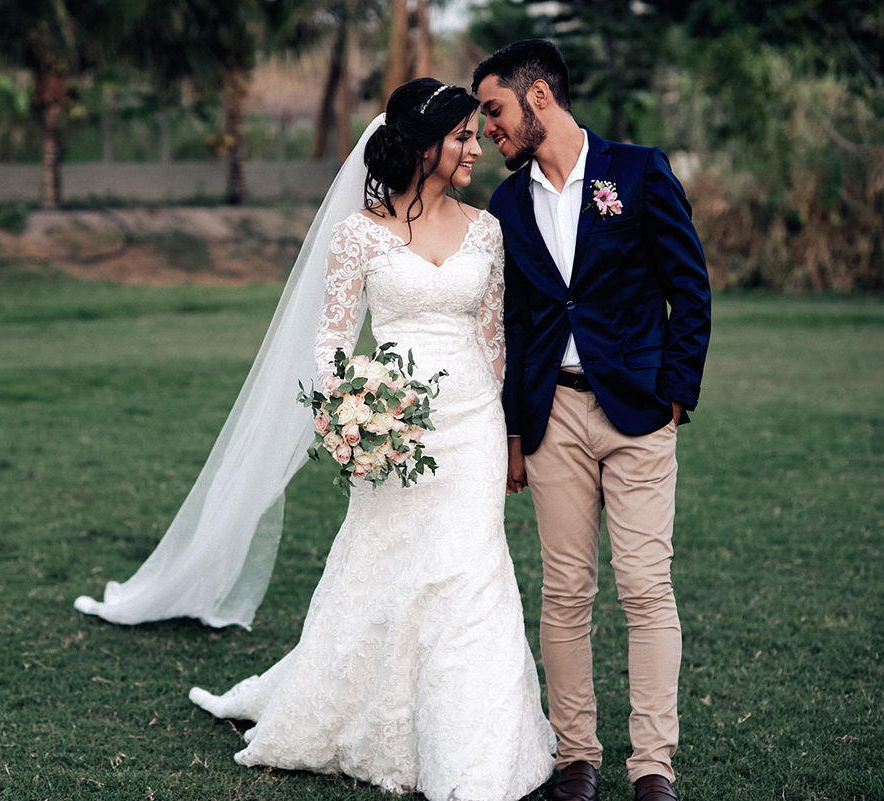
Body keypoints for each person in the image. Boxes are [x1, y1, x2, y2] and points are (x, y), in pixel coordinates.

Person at [187, 78, 555, 801]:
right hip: (393, 433)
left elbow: (495, 342)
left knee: (469, 574)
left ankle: (472, 752)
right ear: (423, 145)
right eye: (461, 136)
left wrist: (503, 428)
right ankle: (352, 715)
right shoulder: (359, 232)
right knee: (384, 570)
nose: (475, 147)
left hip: (473, 425)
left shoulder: (487, 230)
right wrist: (354, 412)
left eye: (478, 134)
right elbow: (330, 343)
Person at [472, 40, 711, 801]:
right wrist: (515, 428)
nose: (487, 131)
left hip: (639, 411)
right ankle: (576, 757)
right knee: (566, 590)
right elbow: (512, 320)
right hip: (553, 417)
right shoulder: (505, 206)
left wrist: (675, 390)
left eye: (494, 110)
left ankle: (653, 767)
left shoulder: (638, 171)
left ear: (539, 96)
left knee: (646, 587)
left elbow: (690, 287)